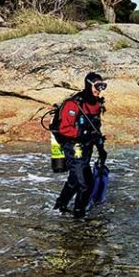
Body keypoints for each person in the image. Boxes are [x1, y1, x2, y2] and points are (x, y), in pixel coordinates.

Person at [53, 72, 108, 219]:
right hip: (74, 147)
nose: (99, 90)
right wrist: (82, 133)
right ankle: (79, 216)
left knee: (74, 180)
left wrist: (101, 148)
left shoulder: (97, 104)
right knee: (86, 184)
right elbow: (64, 128)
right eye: (97, 86)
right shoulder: (73, 104)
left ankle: (60, 207)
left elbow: (96, 128)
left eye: (102, 86)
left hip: (87, 147)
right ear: (89, 85)